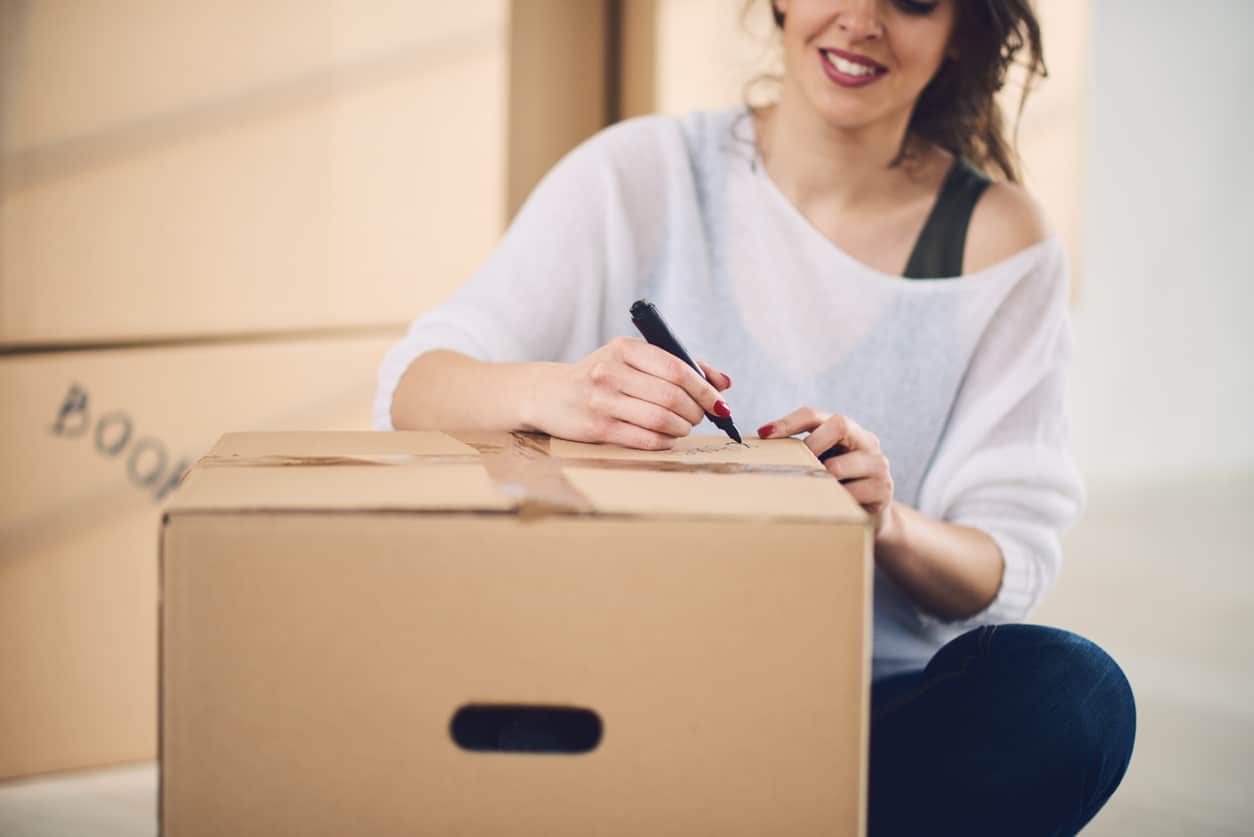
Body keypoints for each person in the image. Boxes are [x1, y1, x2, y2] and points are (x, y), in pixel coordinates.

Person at [375, 0, 1135, 832]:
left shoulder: (1003, 244)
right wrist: (558, 392)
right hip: (631, 668)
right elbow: (413, 386)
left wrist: (883, 522)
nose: (863, 20)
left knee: (1077, 694)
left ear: (962, 30)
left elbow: (1005, 561)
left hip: (863, 708)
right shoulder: (642, 171)